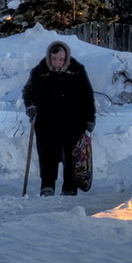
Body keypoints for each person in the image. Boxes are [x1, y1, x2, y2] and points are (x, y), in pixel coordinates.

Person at [23, 40, 96, 196]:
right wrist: (31, 106)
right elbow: (28, 92)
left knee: (71, 154)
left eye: (61, 59)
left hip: (73, 120)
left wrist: (90, 118)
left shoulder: (77, 70)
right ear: (49, 57)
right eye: (55, 59)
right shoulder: (39, 71)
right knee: (47, 154)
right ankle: (47, 186)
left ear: (66, 58)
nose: (57, 63)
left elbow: (87, 95)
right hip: (47, 120)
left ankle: (69, 187)